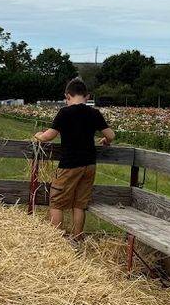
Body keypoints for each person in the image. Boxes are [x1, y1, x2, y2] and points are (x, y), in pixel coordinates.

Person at [34, 77, 115, 239]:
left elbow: (49, 136)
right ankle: (78, 237)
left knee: (56, 203)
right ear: (87, 96)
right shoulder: (94, 113)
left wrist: (39, 136)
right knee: (79, 204)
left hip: (70, 165)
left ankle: (55, 239)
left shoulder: (65, 112)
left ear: (67, 96)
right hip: (89, 165)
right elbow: (111, 135)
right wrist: (106, 140)